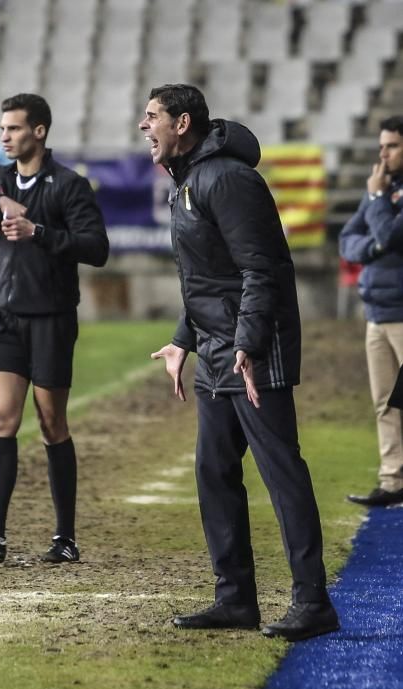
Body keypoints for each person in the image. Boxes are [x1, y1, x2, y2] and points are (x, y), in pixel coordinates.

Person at [139, 84, 339, 642]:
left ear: (182, 124)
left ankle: (313, 602)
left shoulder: (226, 179)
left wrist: (248, 344)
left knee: (282, 472)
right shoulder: (189, 181)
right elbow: (206, 280)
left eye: (150, 116)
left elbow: (261, 270)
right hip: (219, 349)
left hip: (253, 348)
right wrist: (183, 340)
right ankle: (234, 599)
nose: (142, 125)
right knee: (214, 470)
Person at [0, 93, 109, 563]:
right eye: (1, 129)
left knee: (52, 423)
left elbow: (96, 248)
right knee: (2, 418)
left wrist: (38, 231)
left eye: (13, 129)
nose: (4, 137)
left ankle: (65, 537)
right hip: (5, 318)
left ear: (39, 131)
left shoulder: (69, 185)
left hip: (52, 318)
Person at [340, 115, 403, 508]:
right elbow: (349, 239)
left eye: (392, 146)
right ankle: (393, 480)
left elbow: (390, 234)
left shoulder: (379, 191)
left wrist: (378, 201)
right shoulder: (381, 187)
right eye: (381, 145)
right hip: (377, 312)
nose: (382, 153)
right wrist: (377, 248)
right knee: (385, 402)